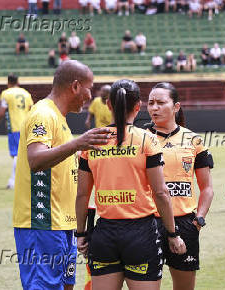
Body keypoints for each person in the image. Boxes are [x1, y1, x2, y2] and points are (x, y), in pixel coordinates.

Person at [75, 79, 186, 290]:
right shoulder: (147, 139)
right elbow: (161, 192)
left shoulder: (92, 140)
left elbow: (82, 195)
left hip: (105, 233)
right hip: (141, 234)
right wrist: (172, 234)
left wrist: (80, 234)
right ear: (138, 106)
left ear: (108, 105)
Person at [13, 60, 111, 290]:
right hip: (42, 222)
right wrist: (78, 144)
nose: (90, 95)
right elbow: (36, 159)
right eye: (89, 88)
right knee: (44, 285)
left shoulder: (60, 119)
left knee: (65, 286)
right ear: (75, 86)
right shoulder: (43, 114)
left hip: (62, 225)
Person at [146, 82, 214, 290]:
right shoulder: (139, 138)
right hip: (147, 223)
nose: (154, 108)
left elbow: (207, 188)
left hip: (185, 223)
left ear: (176, 107)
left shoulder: (193, 140)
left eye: (160, 102)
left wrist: (199, 218)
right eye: (150, 103)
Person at [0, 74, 33, 189]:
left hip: (15, 127)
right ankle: (24, 179)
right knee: (22, 154)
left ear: (8, 82)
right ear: (17, 82)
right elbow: (31, 110)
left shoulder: (6, 93)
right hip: (26, 127)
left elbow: (2, 111)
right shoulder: (26, 93)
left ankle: (13, 181)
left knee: (16, 154)